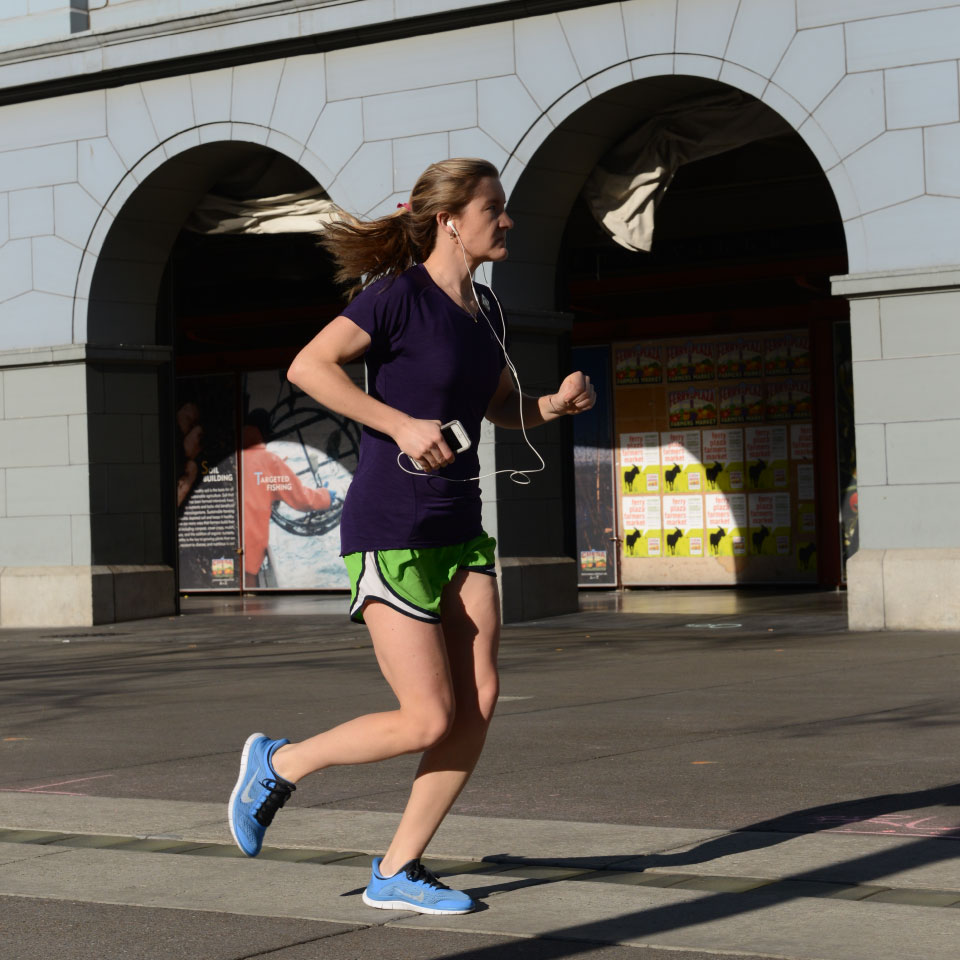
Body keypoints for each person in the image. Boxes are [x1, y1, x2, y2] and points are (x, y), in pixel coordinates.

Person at [228, 158, 596, 915]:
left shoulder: (486, 310)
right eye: (495, 207)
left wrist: (550, 409)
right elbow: (309, 366)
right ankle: (280, 762)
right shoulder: (393, 297)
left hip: (460, 526)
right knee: (428, 716)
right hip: (393, 524)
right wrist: (396, 422)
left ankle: (397, 869)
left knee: (480, 699)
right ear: (450, 219)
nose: (508, 220)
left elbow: (499, 407)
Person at [240, 411, 333, 587]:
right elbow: (302, 500)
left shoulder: (233, 458)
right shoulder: (268, 460)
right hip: (251, 554)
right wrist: (326, 496)